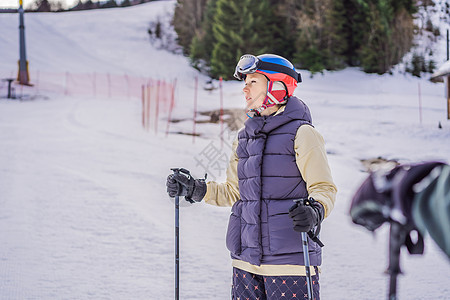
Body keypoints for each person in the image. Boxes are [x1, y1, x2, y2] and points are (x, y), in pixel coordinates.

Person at [166, 54, 337, 300]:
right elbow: (235, 193)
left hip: (290, 264)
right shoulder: (244, 138)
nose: (245, 89)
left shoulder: (303, 134)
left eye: (253, 81)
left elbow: (324, 188)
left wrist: (315, 210)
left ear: (278, 85)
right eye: (244, 82)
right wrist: (195, 189)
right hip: (245, 263)